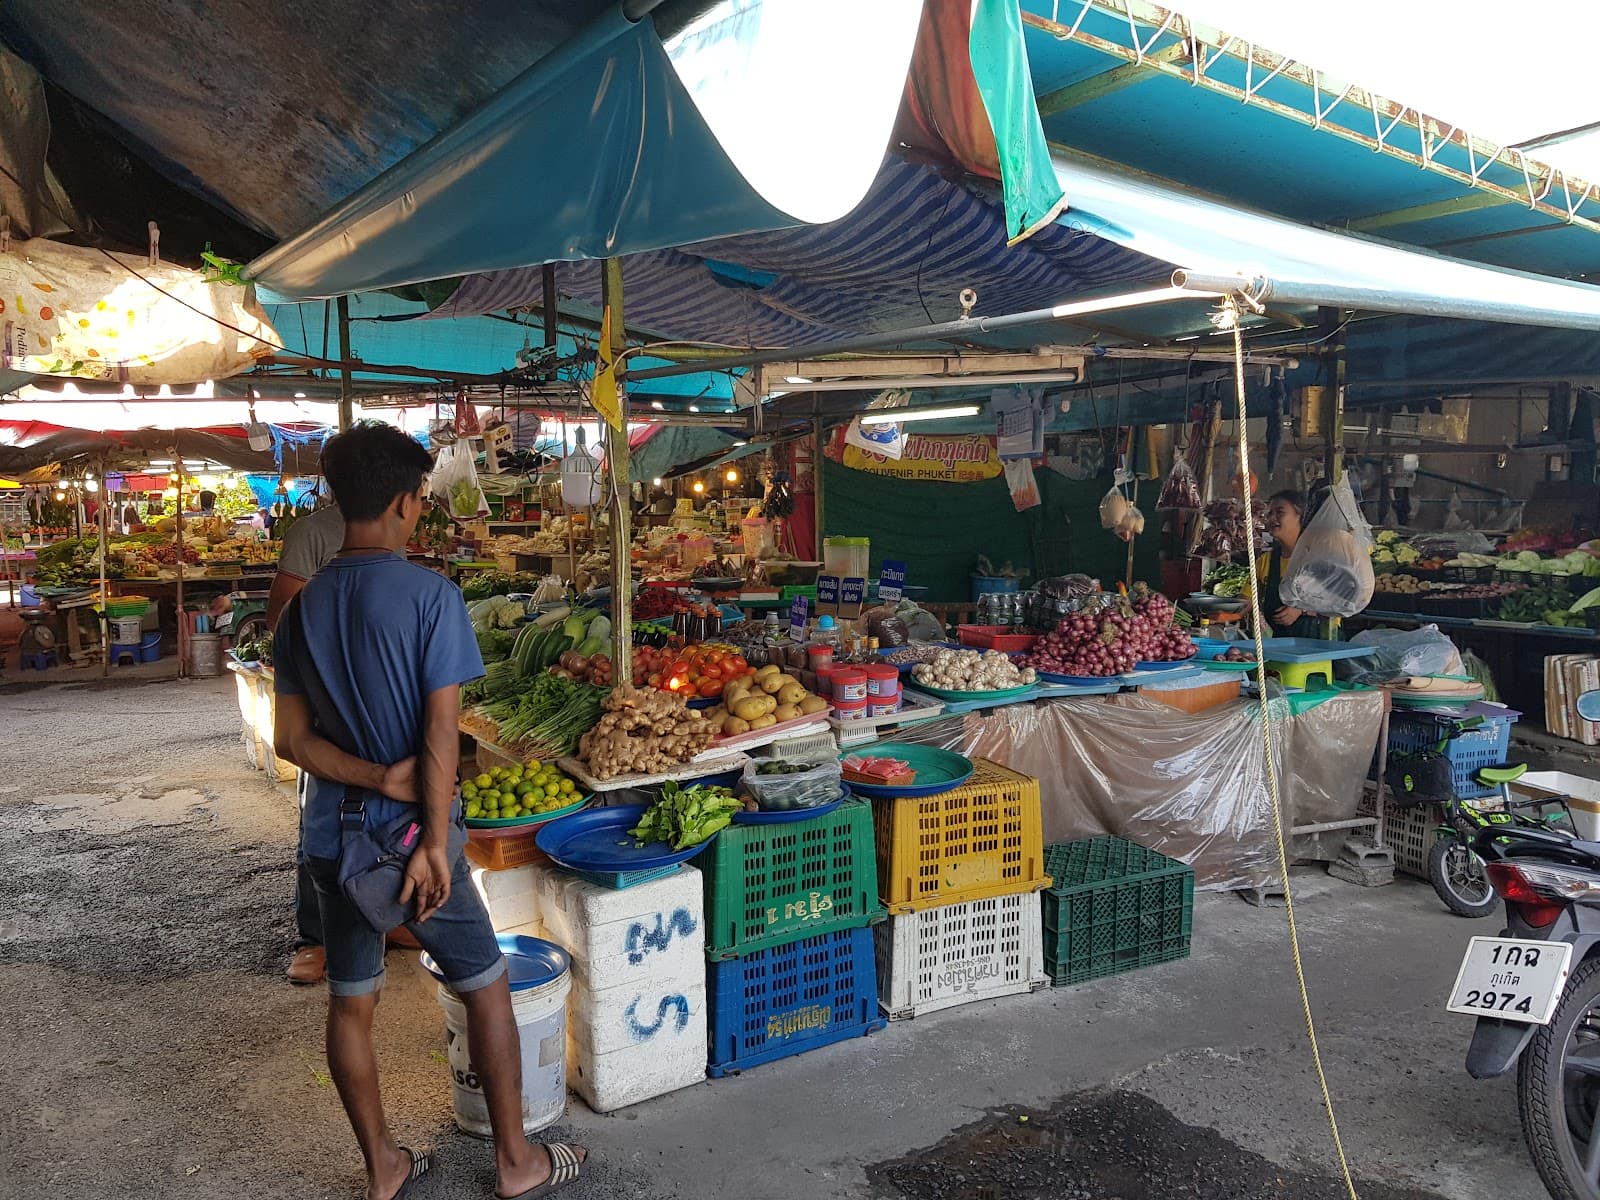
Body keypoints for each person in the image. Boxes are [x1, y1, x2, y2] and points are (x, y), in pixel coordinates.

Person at [273, 424, 586, 1200]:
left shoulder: (301, 611)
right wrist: (439, 848)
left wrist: (374, 777)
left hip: (333, 844)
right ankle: (516, 1161)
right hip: (418, 843)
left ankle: (382, 1166)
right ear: (408, 503)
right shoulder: (431, 596)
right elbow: (442, 735)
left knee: (352, 1001)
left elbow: (292, 742)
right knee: (485, 984)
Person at [269, 499, 348, 985]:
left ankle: (389, 916)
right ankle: (314, 937)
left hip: (371, 701)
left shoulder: (392, 530)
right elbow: (282, 612)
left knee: (387, 818)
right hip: (323, 699)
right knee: (320, 816)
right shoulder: (312, 533)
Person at [1255, 489, 1322, 639]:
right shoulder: (1265, 561)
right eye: (1269, 514)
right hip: (1280, 645)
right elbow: (1246, 598)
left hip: (1319, 646)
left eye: (1280, 512)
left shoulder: (1318, 558)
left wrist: (1301, 610)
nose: (1272, 519)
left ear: (1300, 515)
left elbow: (1340, 602)